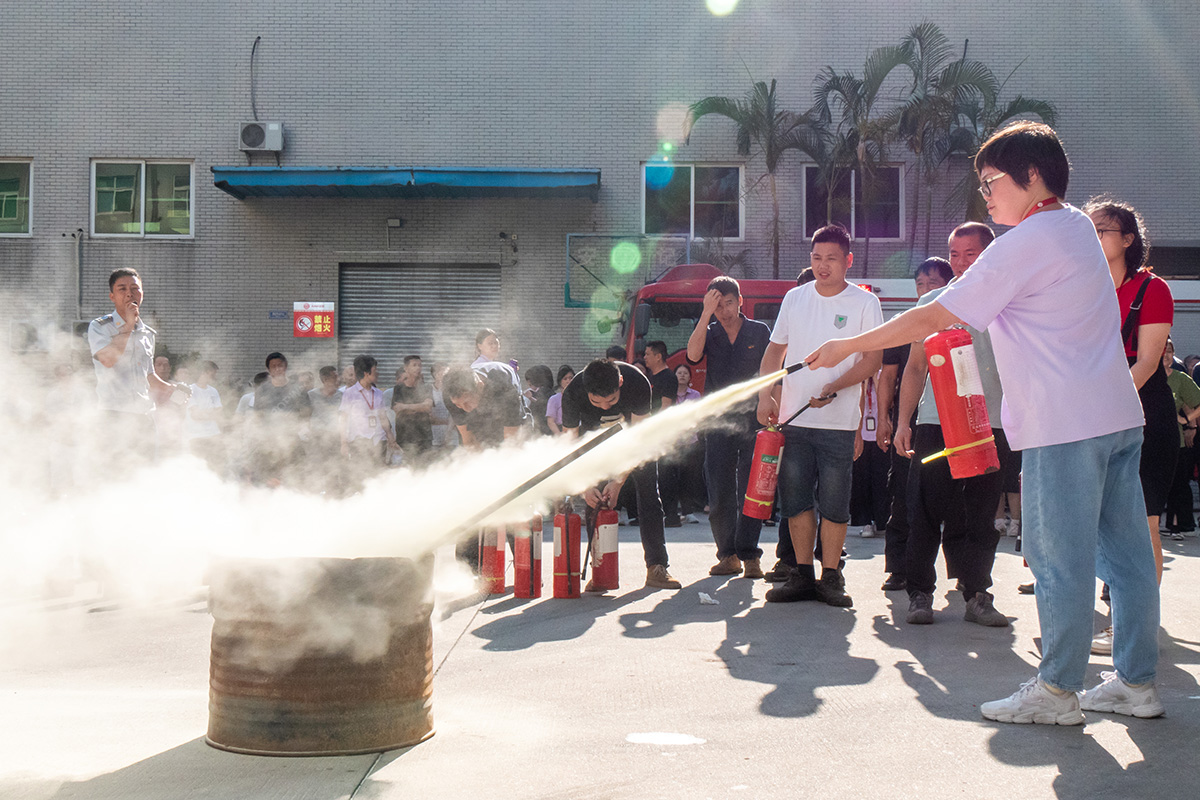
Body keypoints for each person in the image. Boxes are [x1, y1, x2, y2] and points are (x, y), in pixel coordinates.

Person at [805, 121, 1163, 723]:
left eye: (992, 181)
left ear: (1032, 176)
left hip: (1063, 424)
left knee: (1059, 560)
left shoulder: (1027, 241)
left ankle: (1057, 691)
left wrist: (849, 345)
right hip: (1115, 417)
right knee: (1127, 558)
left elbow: (936, 315)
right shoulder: (1077, 227)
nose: (987, 196)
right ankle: (1136, 683)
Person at [757, 224, 883, 607]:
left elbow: (872, 361)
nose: (822, 266)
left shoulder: (864, 303)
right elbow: (773, 352)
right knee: (795, 501)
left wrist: (835, 387)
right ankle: (801, 574)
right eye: (816, 258)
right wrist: (765, 396)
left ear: (848, 260)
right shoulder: (795, 298)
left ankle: (831, 576)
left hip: (838, 424)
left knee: (834, 503)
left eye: (831, 258)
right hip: (794, 420)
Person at [894, 244, 1012, 629]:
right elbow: (915, 368)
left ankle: (977, 594)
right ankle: (919, 593)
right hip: (936, 420)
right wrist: (904, 421)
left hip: (989, 422)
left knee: (981, 512)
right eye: (954, 254)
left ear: (989, 254)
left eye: (971, 254)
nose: (961, 262)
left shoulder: (1008, 302)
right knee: (926, 508)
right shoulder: (932, 302)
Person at [1084, 197, 1174, 595]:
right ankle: (1118, 601)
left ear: (1127, 240)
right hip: (1092, 412)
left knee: (1144, 522)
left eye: (1100, 231)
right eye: (1087, 231)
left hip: (1143, 409)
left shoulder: (1152, 288)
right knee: (1101, 522)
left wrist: (1101, 403)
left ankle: (1138, 617)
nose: (1092, 237)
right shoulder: (1082, 290)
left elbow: (1149, 363)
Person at [561, 358, 680, 590]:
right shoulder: (573, 392)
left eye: (612, 400)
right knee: (595, 502)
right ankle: (600, 570)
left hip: (634, 441)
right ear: (586, 391)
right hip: (595, 445)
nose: (605, 407)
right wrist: (584, 486)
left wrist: (618, 481)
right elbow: (569, 444)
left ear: (621, 382)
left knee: (648, 494)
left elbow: (640, 439)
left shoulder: (637, 382)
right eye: (597, 402)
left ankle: (657, 566)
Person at [686, 276, 773, 579]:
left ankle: (750, 555)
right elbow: (692, 355)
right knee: (719, 486)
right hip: (718, 419)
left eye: (728, 303)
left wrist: (769, 402)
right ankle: (728, 555)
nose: (724, 311)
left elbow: (770, 369)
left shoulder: (759, 331)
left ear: (740, 302)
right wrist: (705, 314)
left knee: (752, 487)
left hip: (753, 416)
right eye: (718, 305)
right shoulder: (709, 332)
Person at [878, 257, 953, 592]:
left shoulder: (963, 320)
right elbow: (888, 376)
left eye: (932, 283)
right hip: (910, 422)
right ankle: (898, 568)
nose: (925, 290)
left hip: (950, 418)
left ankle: (962, 572)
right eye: (920, 284)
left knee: (953, 499)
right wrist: (887, 419)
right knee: (903, 493)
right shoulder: (905, 325)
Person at [88, 268, 190, 465]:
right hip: (113, 414)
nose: (129, 294)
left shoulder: (147, 333)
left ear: (142, 293)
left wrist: (171, 388)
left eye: (135, 289)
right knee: (114, 471)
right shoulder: (100, 326)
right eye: (122, 289)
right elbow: (108, 360)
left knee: (143, 471)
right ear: (112, 296)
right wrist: (128, 325)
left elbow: (148, 374)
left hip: (143, 415)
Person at [252, 352, 312, 486]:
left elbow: (306, 411)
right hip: (269, 440)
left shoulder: (298, 388)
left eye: (280, 365)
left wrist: (302, 427)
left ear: (285, 366)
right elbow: (258, 415)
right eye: (273, 366)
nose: (277, 369)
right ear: (268, 369)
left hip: (292, 438)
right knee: (270, 476)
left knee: (294, 475)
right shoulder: (262, 390)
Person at [1163, 338, 1200, 538]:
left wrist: (1186, 421)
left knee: (1177, 484)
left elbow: (1195, 402)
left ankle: (1176, 526)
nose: (1165, 355)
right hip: (1146, 441)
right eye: (1162, 351)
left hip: (1175, 441)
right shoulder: (1144, 376)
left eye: (1169, 351)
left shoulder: (1180, 378)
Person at [340, 354, 396, 486]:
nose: (378, 373)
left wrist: (390, 436)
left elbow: (382, 416)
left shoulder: (378, 393)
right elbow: (343, 419)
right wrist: (344, 443)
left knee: (379, 473)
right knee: (360, 474)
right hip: (359, 440)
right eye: (375, 370)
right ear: (366, 373)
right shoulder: (349, 393)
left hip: (378, 439)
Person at [444, 361, 528, 448]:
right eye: (458, 404)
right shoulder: (449, 395)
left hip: (505, 394)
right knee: (480, 438)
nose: (465, 409)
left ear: (480, 386)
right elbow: (469, 439)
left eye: (467, 402)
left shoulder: (504, 389)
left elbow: (511, 438)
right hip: (483, 402)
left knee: (516, 439)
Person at [183, 360, 225, 473]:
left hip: (213, 434)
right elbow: (196, 415)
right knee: (197, 466)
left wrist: (205, 413)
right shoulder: (190, 390)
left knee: (215, 466)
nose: (214, 376)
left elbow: (219, 412)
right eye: (213, 373)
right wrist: (211, 413)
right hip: (195, 435)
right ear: (204, 372)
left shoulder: (213, 391)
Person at [392, 355, 434, 462]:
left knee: (425, 466)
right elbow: (397, 409)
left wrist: (405, 407)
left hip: (424, 436)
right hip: (405, 436)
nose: (418, 368)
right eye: (414, 365)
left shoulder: (426, 387)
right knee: (411, 466)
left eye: (420, 365)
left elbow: (428, 407)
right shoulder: (398, 389)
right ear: (406, 368)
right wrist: (420, 406)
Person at [429, 362, 456, 451]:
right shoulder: (428, 390)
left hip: (451, 437)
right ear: (436, 374)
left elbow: (455, 413)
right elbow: (429, 416)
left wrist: (448, 432)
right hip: (434, 437)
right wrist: (445, 421)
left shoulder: (452, 390)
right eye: (445, 373)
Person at [524, 364, 555, 436]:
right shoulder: (551, 393)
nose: (530, 387)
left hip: (542, 431)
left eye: (531, 384)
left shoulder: (543, 392)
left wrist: (530, 398)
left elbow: (542, 406)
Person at [546, 365, 575, 435]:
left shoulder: (579, 398)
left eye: (571, 378)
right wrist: (559, 435)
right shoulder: (554, 399)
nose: (568, 381)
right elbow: (550, 422)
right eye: (565, 379)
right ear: (560, 382)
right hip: (561, 431)